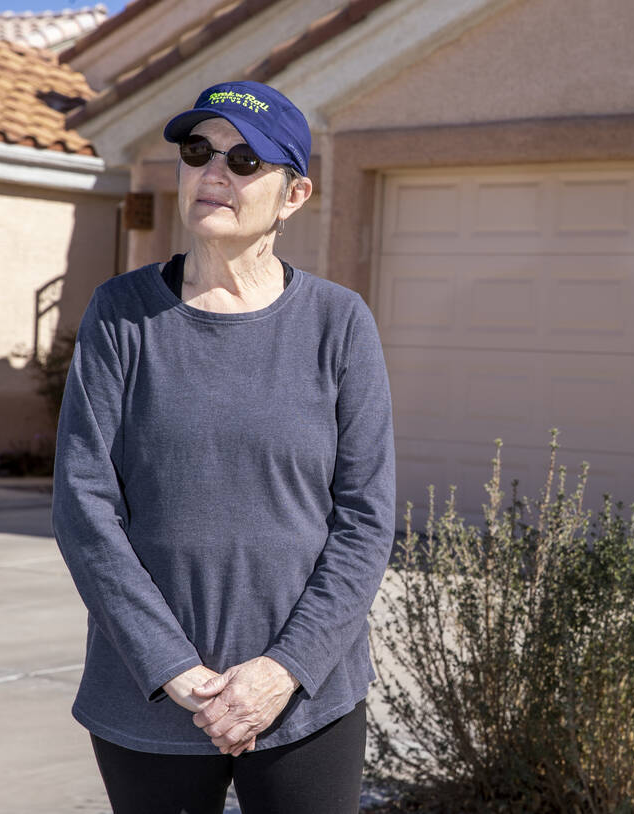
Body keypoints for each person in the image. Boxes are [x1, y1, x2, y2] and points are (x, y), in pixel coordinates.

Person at [51, 80, 395, 814]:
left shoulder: (339, 324)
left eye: (246, 162)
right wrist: (175, 669)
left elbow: (365, 520)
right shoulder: (122, 315)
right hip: (149, 699)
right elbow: (84, 508)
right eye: (199, 151)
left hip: (307, 700)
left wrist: (283, 670)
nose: (214, 172)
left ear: (294, 195)